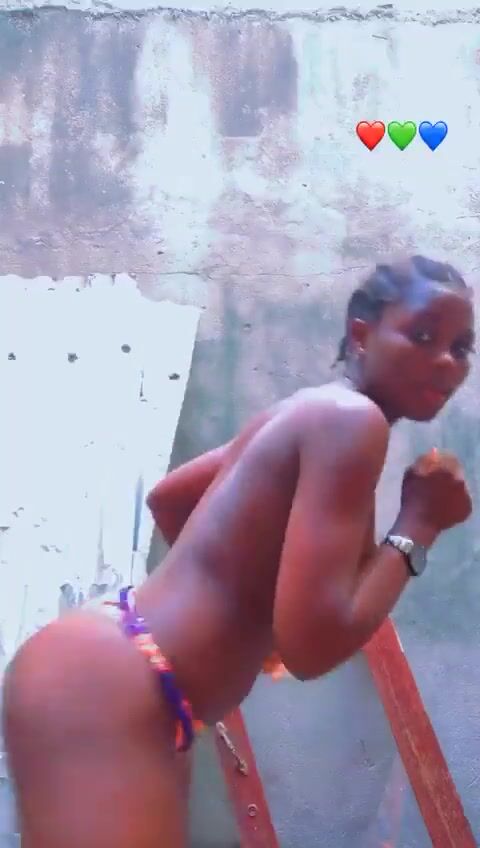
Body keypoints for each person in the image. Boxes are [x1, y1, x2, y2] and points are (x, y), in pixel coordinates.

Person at [3, 255, 475, 848]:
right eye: (423, 336)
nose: (445, 361)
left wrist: (247, 615)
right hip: (114, 682)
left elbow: (171, 497)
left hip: (127, 673)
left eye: (462, 347)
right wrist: (420, 523)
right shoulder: (352, 422)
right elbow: (312, 648)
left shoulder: (311, 409)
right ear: (362, 334)